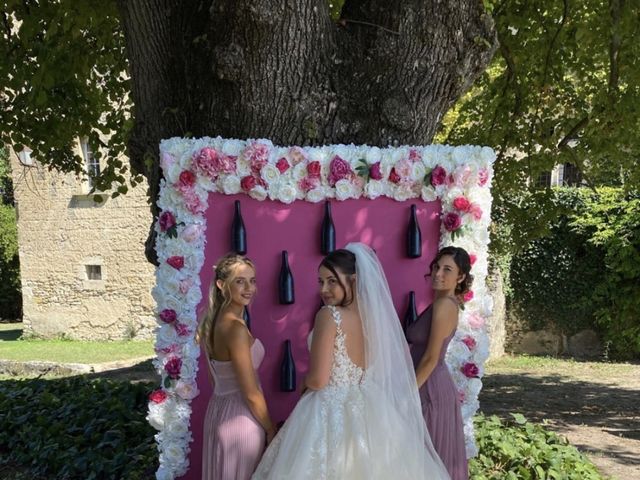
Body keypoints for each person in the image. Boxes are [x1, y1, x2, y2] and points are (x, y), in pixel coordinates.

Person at [252, 243, 450, 480]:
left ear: (354, 280)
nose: (324, 289)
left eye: (332, 281)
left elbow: (318, 379)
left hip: (328, 405)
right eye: (321, 281)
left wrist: (305, 382)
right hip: (368, 404)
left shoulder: (328, 316)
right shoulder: (373, 319)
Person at [198, 253, 275, 480]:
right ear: (222, 285)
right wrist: (271, 430)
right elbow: (251, 393)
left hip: (217, 414)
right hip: (241, 420)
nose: (249, 288)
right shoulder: (235, 329)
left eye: (252, 280)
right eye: (240, 281)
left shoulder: (211, 324)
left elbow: (215, 380)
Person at [406, 246, 473, 480]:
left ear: (460, 277)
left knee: (426, 460)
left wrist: (406, 395)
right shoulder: (442, 302)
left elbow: (431, 357)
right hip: (428, 384)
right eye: (436, 267)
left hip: (429, 389)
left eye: (447, 269)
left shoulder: (445, 305)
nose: (438, 274)